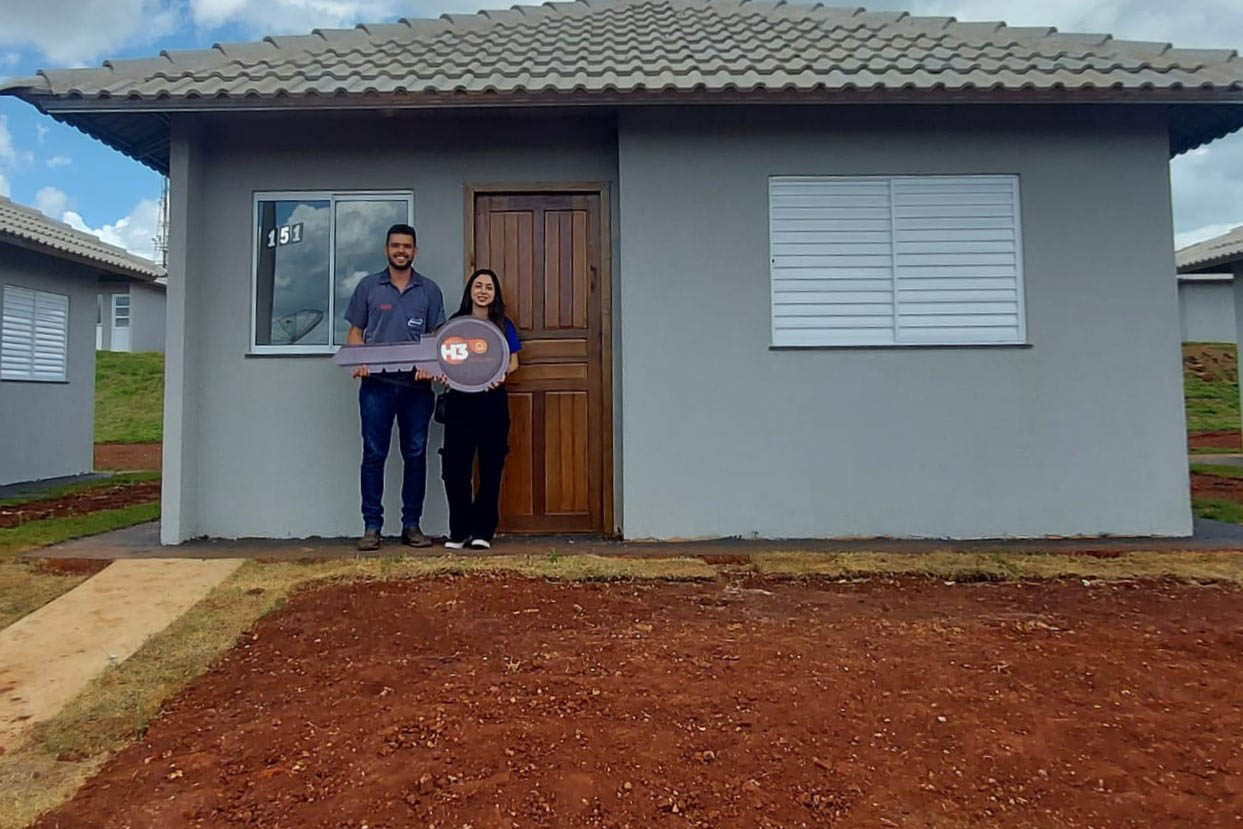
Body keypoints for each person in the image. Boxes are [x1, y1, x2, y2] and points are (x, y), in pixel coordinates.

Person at [344, 223, 445, 551]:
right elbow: (356, 332)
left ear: (415, 251)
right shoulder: (368, 287)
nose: (401, 251)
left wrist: (429, 367)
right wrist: (358, 360)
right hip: (376, 385)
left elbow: (436, 339)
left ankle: (411, 525)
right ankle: (372, 526)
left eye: (407, 246)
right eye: (395, 246)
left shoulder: (429, 291)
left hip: (416, 389)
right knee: (374, 454)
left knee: (415, 455)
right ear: (386, 250)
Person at [439, 268, 521, 550]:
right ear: (470, 291)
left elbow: (513, 362)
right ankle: (459, 530)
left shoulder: (502, 324)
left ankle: (483, 531)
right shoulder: (455, 323)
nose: (483, 291)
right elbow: (442, 358)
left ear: (495, 293)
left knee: (491, 468)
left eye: (489, 287)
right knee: (454, 468)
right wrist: (442, 374)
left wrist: (499, 376)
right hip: (460, 402)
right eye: (478, 286)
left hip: (492, 402)